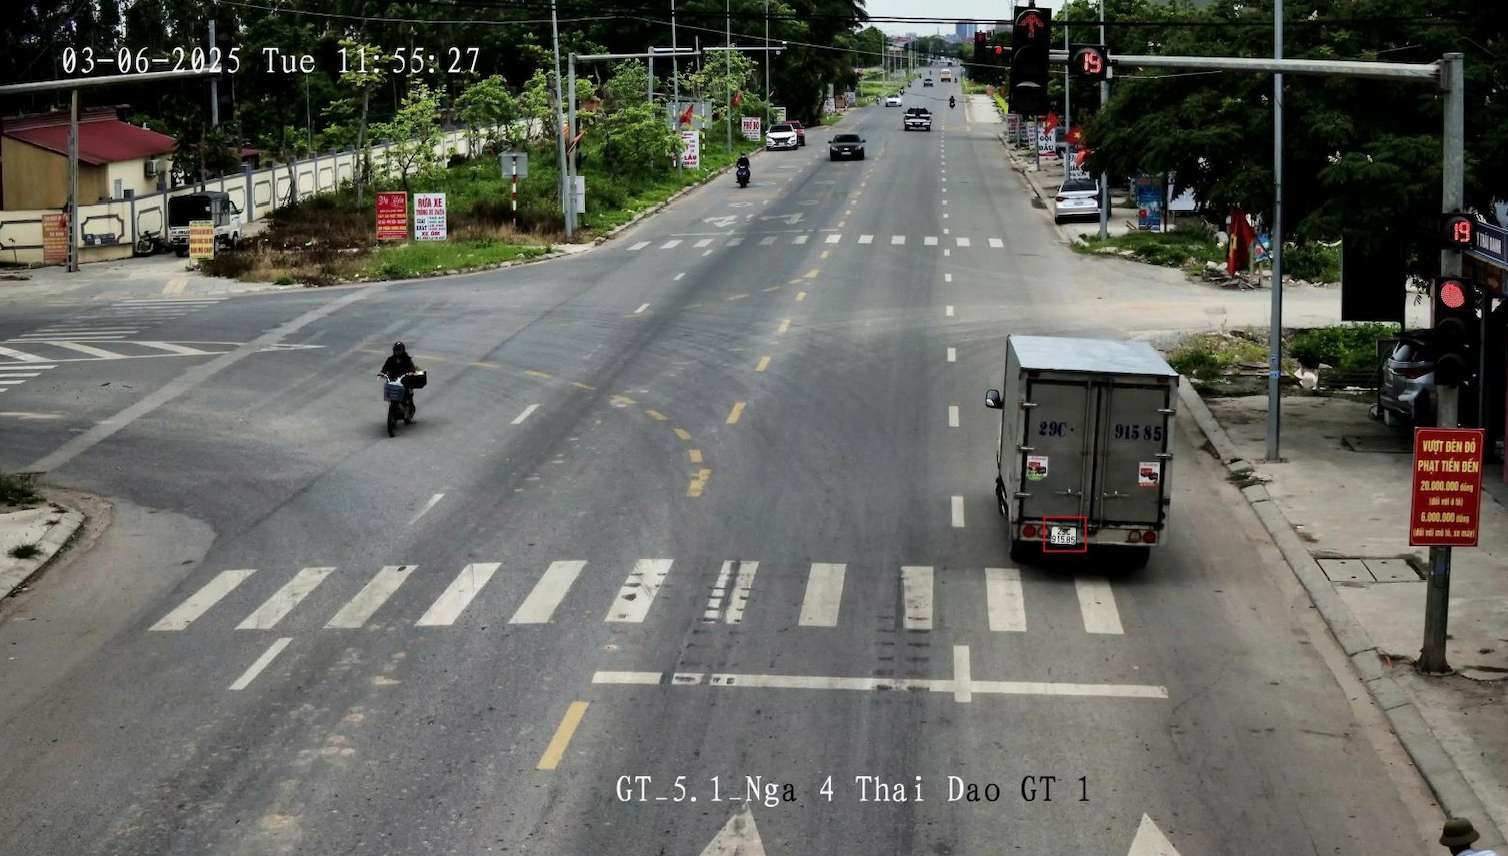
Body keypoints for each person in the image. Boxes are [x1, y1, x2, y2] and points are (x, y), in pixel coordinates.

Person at [380, 341, 419, 416]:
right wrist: (382, 373)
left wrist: (411, 373)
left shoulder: (407, 359)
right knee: (388, 387)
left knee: (408, 391)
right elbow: (385, 368)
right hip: (393, 380)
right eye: (396, 349)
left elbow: (412, 368)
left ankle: (408, 407)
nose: (397, 351)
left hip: (404, 380)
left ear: (403, 350)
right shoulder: (390, 359)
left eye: (399, 349)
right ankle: (394, 406)